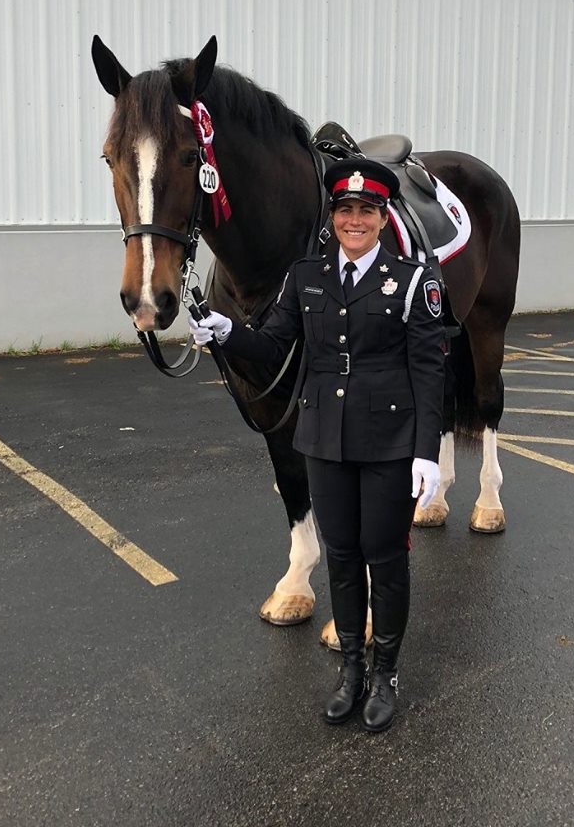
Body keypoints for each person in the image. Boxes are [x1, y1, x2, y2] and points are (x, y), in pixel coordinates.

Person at [188, 158, 446, 732]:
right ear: (333, 217)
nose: (356, 220)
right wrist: (226, 334)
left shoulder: (412, 282)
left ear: (382, 217)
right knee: (344, 557)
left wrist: (426, 451)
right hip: (324, 440)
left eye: (368, 211)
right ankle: (350, 671)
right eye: (346, 209)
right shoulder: (307, 277)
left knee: (386, 556)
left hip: (390, 444)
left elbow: (430, 373)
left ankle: (386, 675)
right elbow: (272, 342)